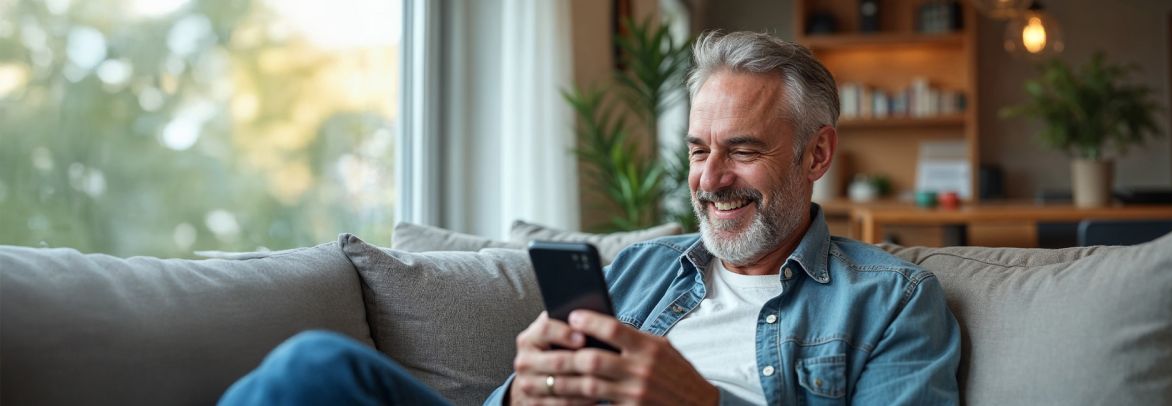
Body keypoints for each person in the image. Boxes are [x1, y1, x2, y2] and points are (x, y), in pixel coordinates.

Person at [220, 30, 960, 406]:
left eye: (741, 150)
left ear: (815, 153)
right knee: (314, 367)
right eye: (699, 149)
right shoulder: (639, 269)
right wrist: (523, 391)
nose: (708, 179)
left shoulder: (890, 300)